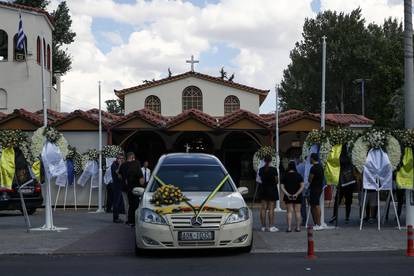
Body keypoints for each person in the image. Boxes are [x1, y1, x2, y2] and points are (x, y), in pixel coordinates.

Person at [329, 147, 356, 224]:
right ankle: (346, 217)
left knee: (338, 200)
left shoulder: (342, 158)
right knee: (347, 201)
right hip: (349, 181)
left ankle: (335, 215)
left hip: (343, 181)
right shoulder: (349, 157)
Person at [119, 152, 145, 226]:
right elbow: (141, 178)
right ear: (132, 157)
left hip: (126, 188)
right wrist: (142, 185)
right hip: (135, 188)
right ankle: (135, 221)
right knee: (136, 204)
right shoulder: (136, 163)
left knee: (129, 205)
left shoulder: (123, 165)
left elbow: (119, 175)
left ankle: (129, 220)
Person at [281, 161, 304, 232]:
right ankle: (298, 227)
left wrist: (287, 194)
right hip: (297, 196)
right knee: (298, 212)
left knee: (289, 212)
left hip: (288, 196)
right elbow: (302, 186)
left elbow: (282, 187)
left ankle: (289, 228)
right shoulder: (299, 175)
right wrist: (297, 194)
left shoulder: (285, 175)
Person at [258, 155, 279, 232]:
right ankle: (271, 226)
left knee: (263, 208)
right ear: (271, 161)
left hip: (263, 189)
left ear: (264, 160)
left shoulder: (261, 169)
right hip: (272, 189)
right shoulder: (274, 169)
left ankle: (263, 226)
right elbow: (277, 181)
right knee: (271, 209)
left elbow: (260, 179)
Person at [308, 153, 324, 230]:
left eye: (310, 158)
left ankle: (318, 224)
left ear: (312, 159)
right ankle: (317, 223)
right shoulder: (321, 167)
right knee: (314, 205)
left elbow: (309, 179)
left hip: (314, 188)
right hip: (319, 187)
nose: (309, 160)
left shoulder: (313, 168)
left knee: (316, 205)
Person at [111, 153, 125, 223]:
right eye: (120, 158)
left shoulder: (122, 165)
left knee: (119, 202)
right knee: (116, 202)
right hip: (116, 185)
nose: (121, 160)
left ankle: (118, 217)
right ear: (117, 159)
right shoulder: (114, 165)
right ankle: (115, 218)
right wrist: (120, 165)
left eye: (122, 159)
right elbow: (117, 173)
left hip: (120, 185)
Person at [296, 157, 307, 224]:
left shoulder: (297, 167)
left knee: (302, 206)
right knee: (313, 205)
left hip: (300, 188)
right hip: (307, 187)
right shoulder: (307, 166)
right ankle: (315, 220)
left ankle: (304, 220)